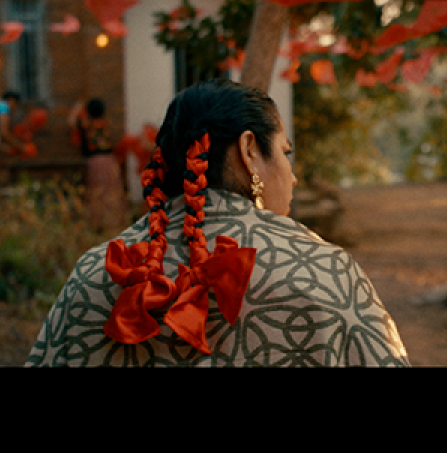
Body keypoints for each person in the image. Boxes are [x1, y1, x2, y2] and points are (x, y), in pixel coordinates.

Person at [26, 79, 409, 366]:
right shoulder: (327, 274)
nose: (292, 177)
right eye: (284, 153)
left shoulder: (94, 271)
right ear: (248, 152)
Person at [70, 98, 129, 232]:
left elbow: (72, 122)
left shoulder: (86, 123)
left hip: (95, 160)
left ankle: (97, 221)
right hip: (109, 159)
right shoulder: (105, 123)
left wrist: (78, 109)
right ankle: (115, 221)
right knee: (112, 189)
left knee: (96, 191)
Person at [0, 91, 28, 157]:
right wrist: (22, 147)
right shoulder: (4, 107)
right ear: (11, 100)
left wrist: (8, 150)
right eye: (16, 104)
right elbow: (4, 133)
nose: (15, 108)